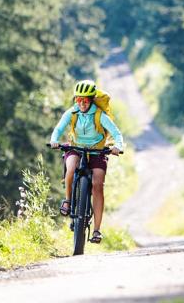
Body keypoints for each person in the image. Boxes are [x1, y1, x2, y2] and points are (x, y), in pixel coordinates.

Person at [50, 79, 123, 244]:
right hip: (76, 147)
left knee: (98, 185)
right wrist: (54, 140)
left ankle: (97, 230)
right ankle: (68, 201)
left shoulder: (100, 115)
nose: (81, 103)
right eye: (78, 100)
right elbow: (59, 128)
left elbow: (116, 133)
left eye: (85, 100)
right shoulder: (72, 113)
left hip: (97, 150)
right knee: (70, 168)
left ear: (91, 100)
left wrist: (117, 146)